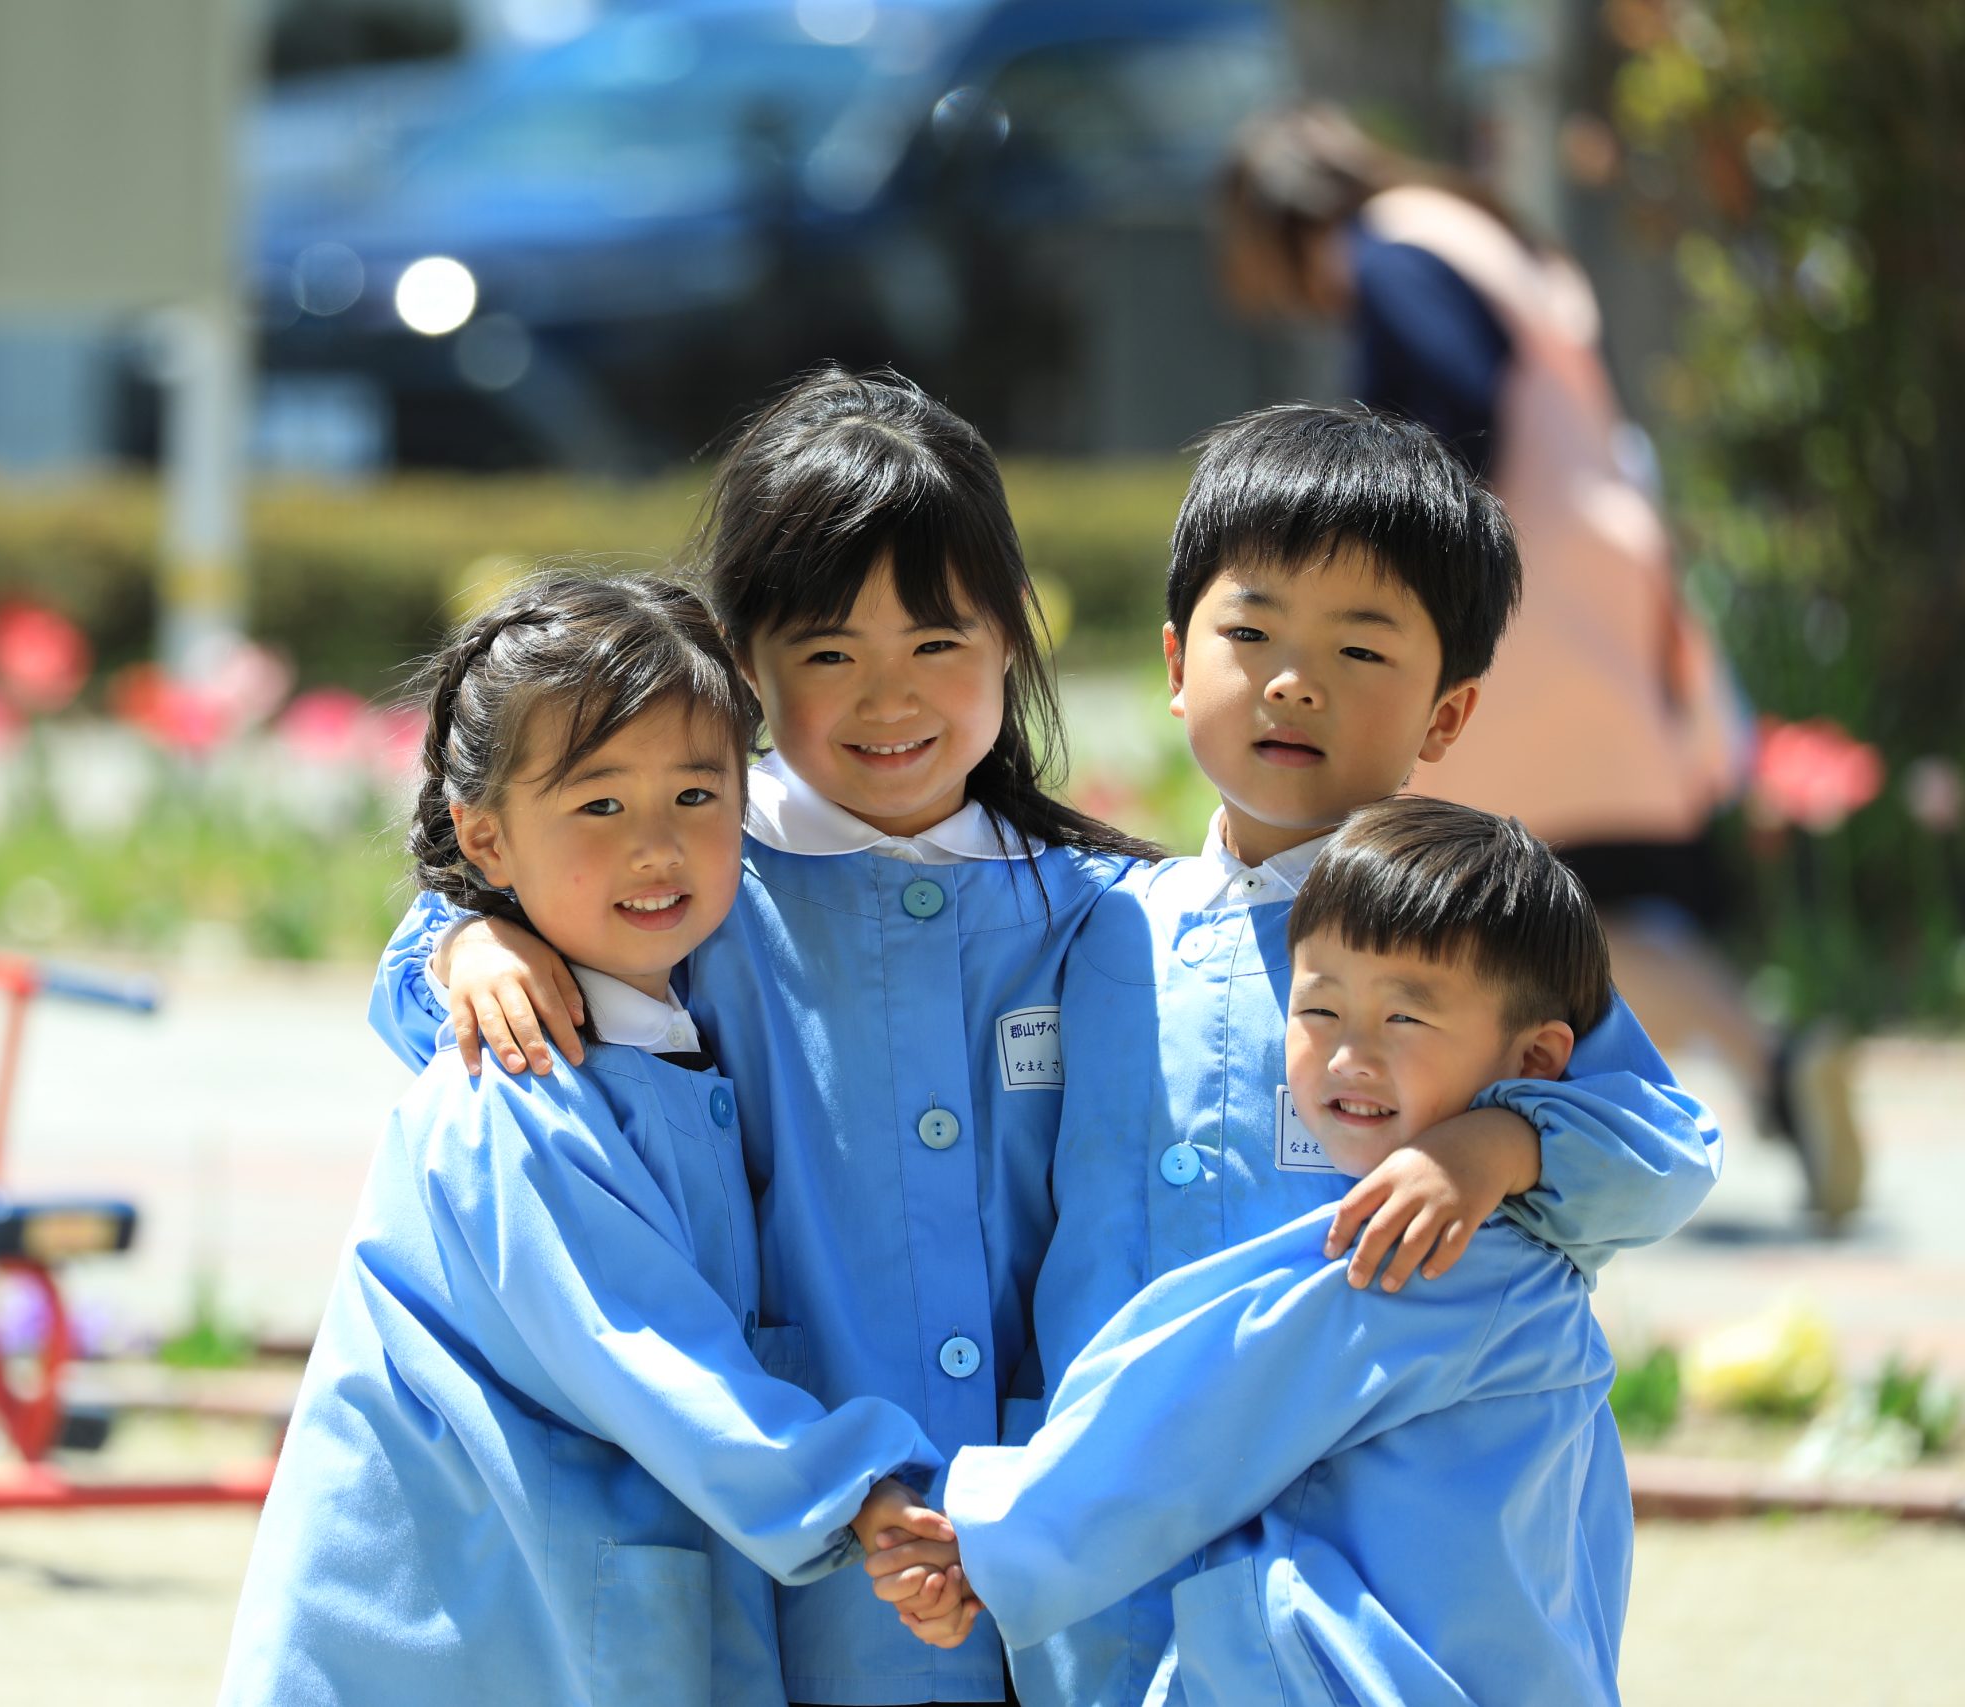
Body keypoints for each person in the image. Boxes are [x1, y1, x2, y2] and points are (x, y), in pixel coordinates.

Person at [366, 373, 1704, 1706]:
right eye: (830, 651)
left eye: (939, 642)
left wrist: (1507, 1139)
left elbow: (1645, 1129)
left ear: (1012, 639)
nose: (888, 694)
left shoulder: (1099, 909)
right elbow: (532, 949)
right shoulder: (738, 887)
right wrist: (463, 940)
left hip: (1309, 1576)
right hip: (928, 1571)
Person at [998, 402, 1717, 1707]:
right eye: (1252, 630)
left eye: (1359, 647)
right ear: (1174, 658)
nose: (1294, 678)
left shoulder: (1478, 936)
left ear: (1449, 714)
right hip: (1114, 1545)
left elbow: (1664, 1153)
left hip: (1374, 1576)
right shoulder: (1086, 927)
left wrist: (1501, 1141)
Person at [217, 572, 960, 1707]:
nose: (656, 849)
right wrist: (853, 1491)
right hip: (443, 1631)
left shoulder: (675, 1023)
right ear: (484, 838)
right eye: (599, 806)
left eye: (697, 798)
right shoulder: (506, 1089)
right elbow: (644, 1346)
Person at [1216, 102, 1860, 1227]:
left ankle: (1721, 1075)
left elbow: (1442, 414)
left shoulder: (1392, 250)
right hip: (1593, 574)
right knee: (1573, 892)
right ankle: (1771, 1062)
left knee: (1490, 889)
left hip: (1515, 601)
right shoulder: (1478, 230)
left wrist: (1373, 561)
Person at [870, 796, 1633, 1707]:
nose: (1351, 1054)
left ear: (1538, 1059)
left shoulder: (1428, 1252)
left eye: (1407, 1019)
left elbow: (1197, 1413)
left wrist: (977, 1531)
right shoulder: (1529, 1241)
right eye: (1319, 1008)